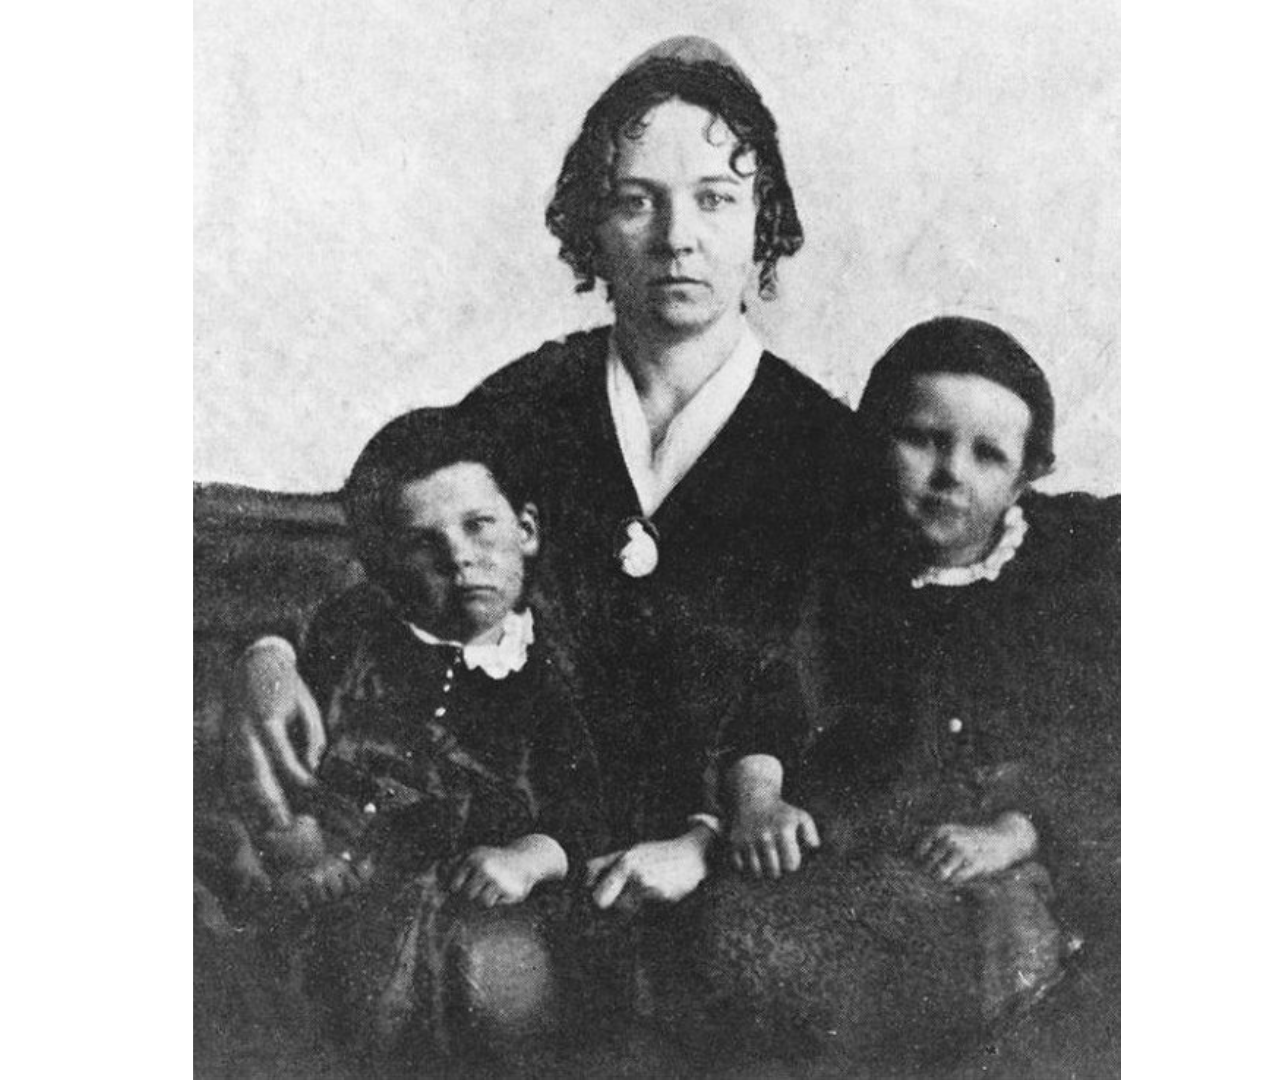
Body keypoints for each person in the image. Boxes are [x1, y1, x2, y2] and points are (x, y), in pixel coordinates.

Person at [231, 36, 859, 918]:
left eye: (715, 200)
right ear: (591, 229)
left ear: (763, 224)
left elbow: (865, 696)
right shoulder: (534, 399)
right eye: (637, 202)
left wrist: (710, 839)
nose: (678, 238)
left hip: (725, 867)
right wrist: (269, 652)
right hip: (521, 847)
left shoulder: (828, 445)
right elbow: (388, 522)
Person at [694, 316, 1120, 1071]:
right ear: (873, 442)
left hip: (1030, 850)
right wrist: (760, 796)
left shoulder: (1071, 573)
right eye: (924, 440)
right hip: (870, 853)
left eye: (988, 455)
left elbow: (1097, 741)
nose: (951, 471)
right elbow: (766, 694)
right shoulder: (830, 567)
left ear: (1026, 476)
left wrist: (1016, 833)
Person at [216, 407, 607, 1068]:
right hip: (334, 878)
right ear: (385, 562)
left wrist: (530, 857)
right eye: (423, 542)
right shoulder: (355, 629)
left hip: (481, 888)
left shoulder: (553, 665)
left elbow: (585, 799)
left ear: (527, 530)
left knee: (495, 981)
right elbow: (283, 749)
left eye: (478, 526)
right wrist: (300, 847)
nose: (458, 556)